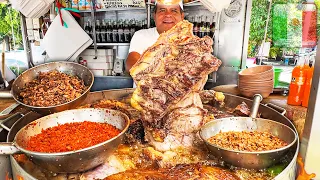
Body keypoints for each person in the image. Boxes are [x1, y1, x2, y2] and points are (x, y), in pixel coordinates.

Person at [125, 0, 185, 72]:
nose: (168, 14)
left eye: (174, 10)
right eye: (162, 10)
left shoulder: (189, 40)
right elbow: (131, 63)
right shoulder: (141, 36)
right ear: (154, 15)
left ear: (182, 16)